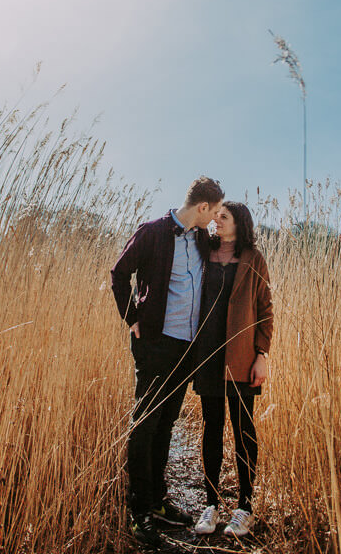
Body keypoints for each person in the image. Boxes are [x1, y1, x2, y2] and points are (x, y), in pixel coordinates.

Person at [110, 176, 225, 547]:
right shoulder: (153, 232)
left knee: (167, 424)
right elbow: (119, 274)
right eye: (213, 211)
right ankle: (139, 509)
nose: (214, 219)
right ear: (202, 207)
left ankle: (158, 500)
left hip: (186, 349)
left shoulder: (201, 240)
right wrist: (133, 318)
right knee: (145, 424)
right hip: (156, 343)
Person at [189, 201, 274, 538]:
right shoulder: (204, 250)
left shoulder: (253, 258)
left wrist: (262, 354)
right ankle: (210, 504)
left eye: (223, 217)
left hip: (241, 356)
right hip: (208, 353)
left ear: (240, 224)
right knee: (212, 426)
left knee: (243, 430)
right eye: (216, 216)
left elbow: (266, 308)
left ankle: (245, 507)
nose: (216, 221)